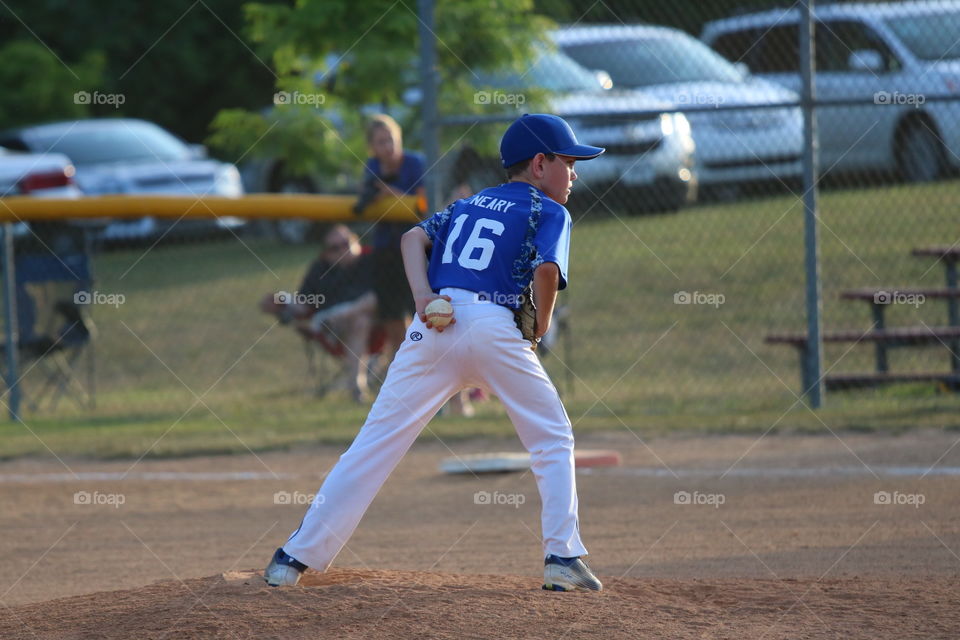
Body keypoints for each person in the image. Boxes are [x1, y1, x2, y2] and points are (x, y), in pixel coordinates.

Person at [264, 114, 605, 592]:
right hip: (493, 327)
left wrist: (422, 296)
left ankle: (291, 560)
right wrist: (542, 326)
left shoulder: (466, 205)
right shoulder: (549, 210)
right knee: (551, 436)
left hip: (433, 327)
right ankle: (562, 557)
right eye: (568, 162)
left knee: (374, 445)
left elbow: (412, 238)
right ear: (539, 164)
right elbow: (546, 270)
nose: (574, 174)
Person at [267, 224, 377, 401]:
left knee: (366, 309)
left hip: (374, 323)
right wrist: (282, 301)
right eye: (334, 248)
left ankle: (357, 387)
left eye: (346, 243)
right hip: (329, 325)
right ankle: (357, 387)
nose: (342, 250)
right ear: (326, 252)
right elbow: (304, 302)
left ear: (356, 241)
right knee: (359, 320)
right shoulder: (320, 269)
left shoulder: (371, 261)